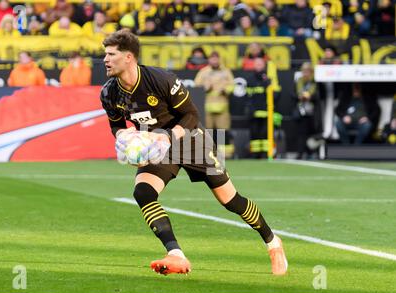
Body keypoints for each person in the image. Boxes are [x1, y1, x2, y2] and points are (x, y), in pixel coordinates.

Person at [100, 29, 288, 276]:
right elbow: (115, 123)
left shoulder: (160, 79)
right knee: (143, 192)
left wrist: (167, 136)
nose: (105, 59)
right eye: (105, 54)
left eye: (111, 54)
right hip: (158, 148)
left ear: (129, 57)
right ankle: (176, 254)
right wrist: (123, 137)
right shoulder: (109, 92)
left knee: (230, 201)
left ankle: (273, 243)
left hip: (190, 141)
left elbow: (191, 115)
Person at [194, 51, 235, 158]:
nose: (215, 61)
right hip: (207, 107)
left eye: (216, 58)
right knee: (208, 132)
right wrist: (206, 88)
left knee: (223, 132)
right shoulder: (203, 72)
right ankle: (209, 154)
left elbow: (232, 85)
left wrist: (225, 90)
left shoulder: (226, 72)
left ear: (219, 59)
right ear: (209, 60)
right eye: (212, 59)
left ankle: (225, 155)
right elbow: (196, 86)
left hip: (222, 106)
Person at [292, 62, 320, 159]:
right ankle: (300, 153)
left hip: (312, 112)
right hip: (300, 111)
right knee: (301, 133)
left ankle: (311, 152)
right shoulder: (298, 82)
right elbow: (292, 94)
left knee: (311, 134)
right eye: (304, 71)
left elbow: (319, 96)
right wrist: (300, 96)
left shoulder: (315, 82)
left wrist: (310, 97)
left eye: (307, 71)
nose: (305, 73)